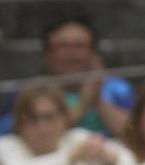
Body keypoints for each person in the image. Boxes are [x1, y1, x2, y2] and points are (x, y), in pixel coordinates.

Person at [1, 17, 134, 138]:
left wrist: (97, 100)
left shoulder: (117, 89)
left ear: (94, 52)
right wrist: (81, 106)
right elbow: (8, 134)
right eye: (62, 46)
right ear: (47, 53)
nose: (71, 53)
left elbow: (137, 136)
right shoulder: (27, 92)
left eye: (79, 46)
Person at [0, 79, 133, 165]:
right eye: (33, 118)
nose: (42, 127)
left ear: (64, 118)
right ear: (18, 122)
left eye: (49, 117)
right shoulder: (5, 147)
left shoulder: (77, 138)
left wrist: (110, 160)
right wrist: (70, 159)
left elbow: (131, 163)